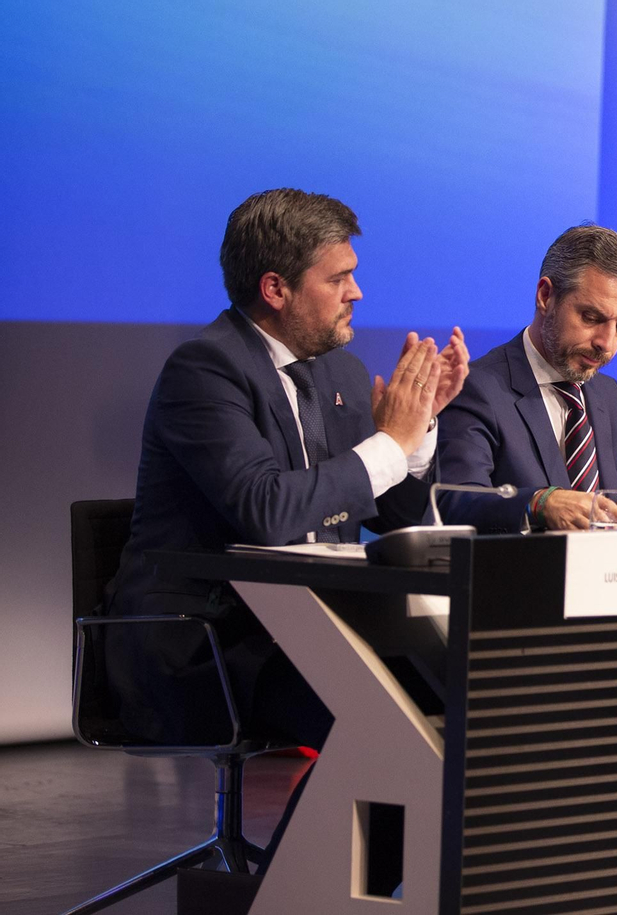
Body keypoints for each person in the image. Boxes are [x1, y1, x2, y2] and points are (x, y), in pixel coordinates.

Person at [104, 188, 469, 753]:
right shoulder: (205, 369)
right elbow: (267, 510)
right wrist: (389, 443)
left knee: (462, 689)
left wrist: (416, 433)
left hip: (320, 626)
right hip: (212, 643)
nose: (356, 292)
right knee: (383, 725)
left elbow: (394, 517)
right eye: (338, 278)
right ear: (275, 289)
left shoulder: (340, 372)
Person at [437, 225, 617, 531]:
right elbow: (455, 501)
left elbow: (595, 503)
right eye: (591, 318)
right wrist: (539, 504)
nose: (606, 343)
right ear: (546, 296)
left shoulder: (610, 396)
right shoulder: (478, 389)